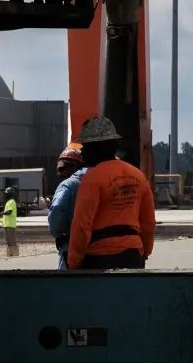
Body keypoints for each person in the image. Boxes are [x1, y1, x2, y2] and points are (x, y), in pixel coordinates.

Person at [66, 116, 156, 271]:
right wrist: (144, 252)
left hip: (99, 258)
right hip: (133, 255)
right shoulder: (138, 176)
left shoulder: (92, 178)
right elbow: (148, 223)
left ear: (97, 148)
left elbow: (82, 226)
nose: (82, 151)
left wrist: (73, 263)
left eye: (85, 146)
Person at [47, 143, 84, 269]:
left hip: (70, 243)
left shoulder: (68, 185)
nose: (59, 174)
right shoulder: (94, 181)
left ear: (73, 166)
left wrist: (58, 234)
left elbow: (57, 208)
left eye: (61, 169)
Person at [0, 185, 20, 257]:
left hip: (10, 224)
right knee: (7, 240)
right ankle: (9, 254)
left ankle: (15, 254)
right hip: (6, 224)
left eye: (7, 194)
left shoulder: (12, 202)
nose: (6, 195)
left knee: (11, 240)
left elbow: (9, 212)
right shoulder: (8, 202)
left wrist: (2, 213)